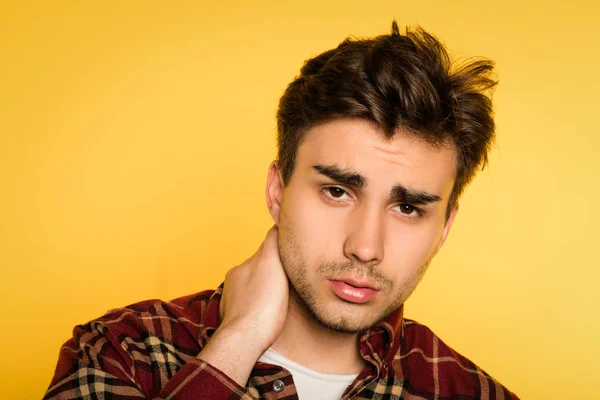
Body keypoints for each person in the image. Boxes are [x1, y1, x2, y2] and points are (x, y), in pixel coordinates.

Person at [44, 21, 519, 399]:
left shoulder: (468, 392)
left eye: (409, 207)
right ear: (277, 189)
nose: (366, 247)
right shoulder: (121, 352)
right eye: (337, 191)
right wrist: (237, 342)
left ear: (445, 227)